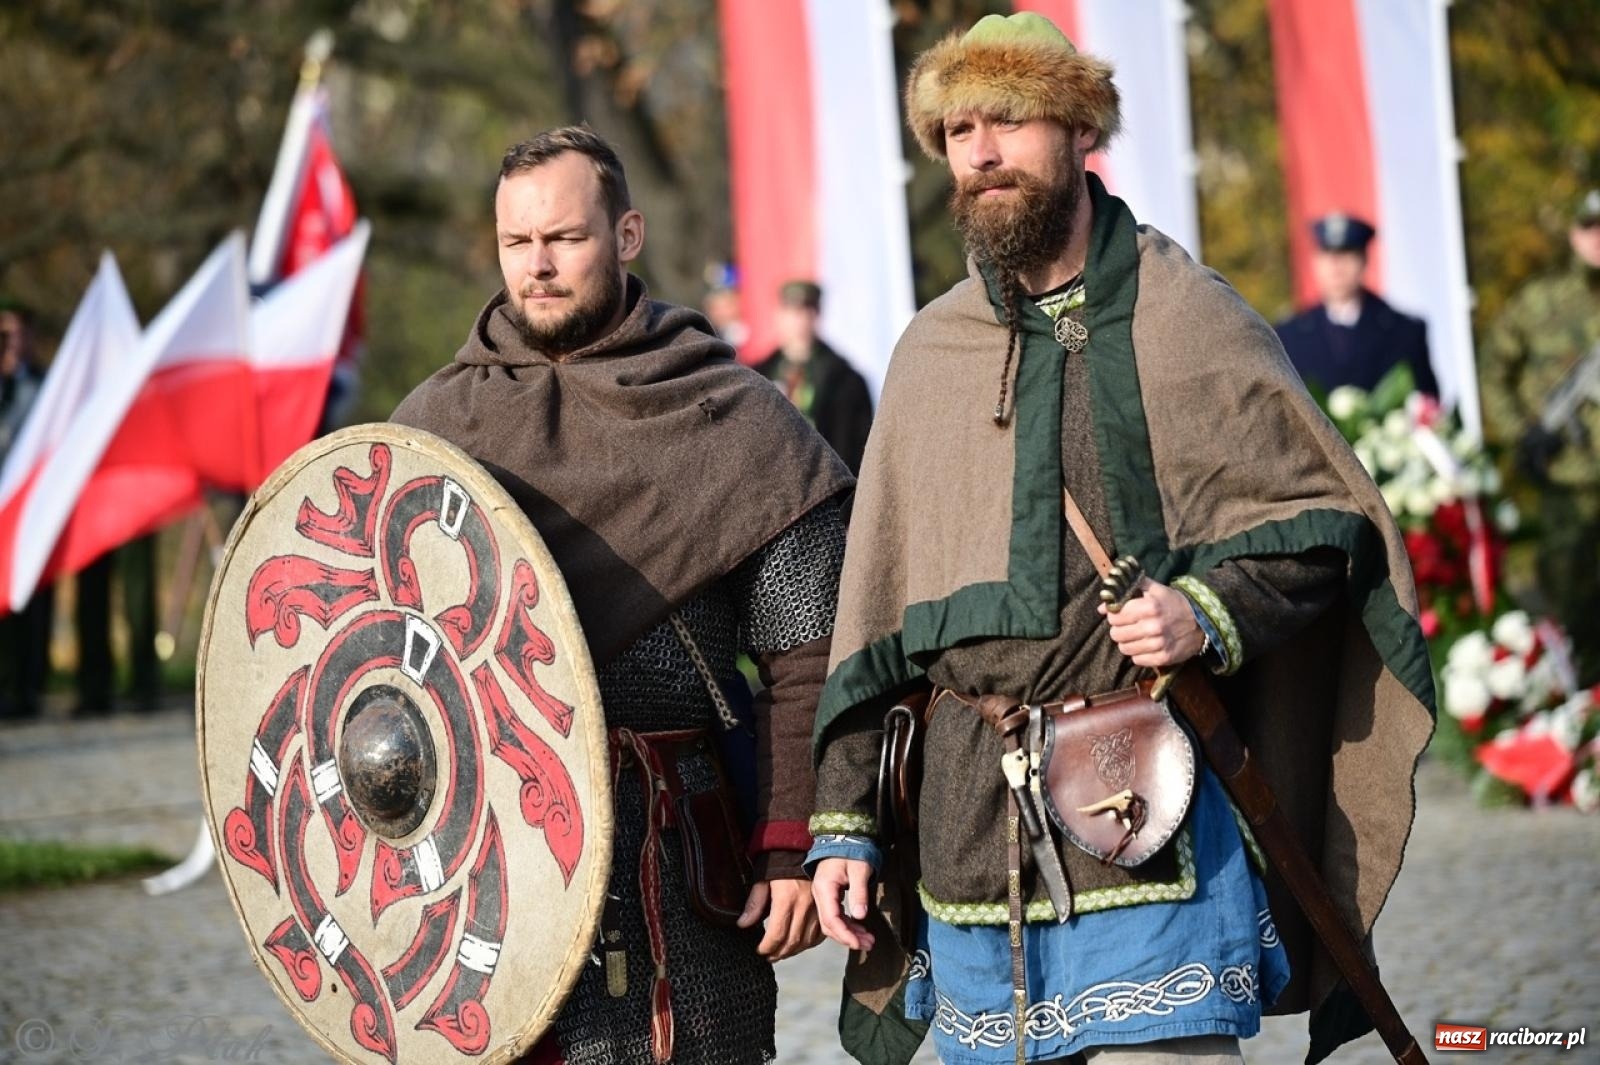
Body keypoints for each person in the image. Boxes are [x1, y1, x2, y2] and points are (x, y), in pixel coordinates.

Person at [806, 14, 1434, 1065]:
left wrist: (1205, 612)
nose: (982, 152)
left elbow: (1323, 531)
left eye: (1008, 119)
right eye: (959, 129)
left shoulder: (1187, 315)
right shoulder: (931, 354)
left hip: (1147, 811)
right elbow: (875, 626)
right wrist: (844, 824)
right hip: (970, 839)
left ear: (1078, 127)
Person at [391, 126, 851, 1064]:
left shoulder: (728, 414)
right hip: (482, 862)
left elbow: (813, 654)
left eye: (565, 238)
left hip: (671, 853)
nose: (539, 266)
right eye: (518, 244)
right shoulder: (434, 426)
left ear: (628, 234)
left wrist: (791, 838)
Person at [1480, 187, 1600, 683]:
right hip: (1569, 483)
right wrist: (1522, 435)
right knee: (1576, 602)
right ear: (1575, 234)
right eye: (1592, 229)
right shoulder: (1539, 302)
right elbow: (1493, 372)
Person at [1275, 213, 1439, 397]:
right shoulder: (1289, 336)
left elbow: (1428, 406)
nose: (1336, 266)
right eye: (1327, 255)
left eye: (1346, 254)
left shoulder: (1405, 331)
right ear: (1315, 262)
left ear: (1364, 260)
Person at [754, 281, 874, 475]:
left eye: (808, 312)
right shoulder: (758, 376)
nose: (801, 321)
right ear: (779, 316)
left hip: (829, 487)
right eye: (793, 312)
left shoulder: (847, 381)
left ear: (817, 315)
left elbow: (862, 450)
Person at [1, 299, 52, 721]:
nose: (12, 344)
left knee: (31, 604)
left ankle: (29, 686)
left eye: (18, 334)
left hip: (31, 509)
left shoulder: (47, 384)